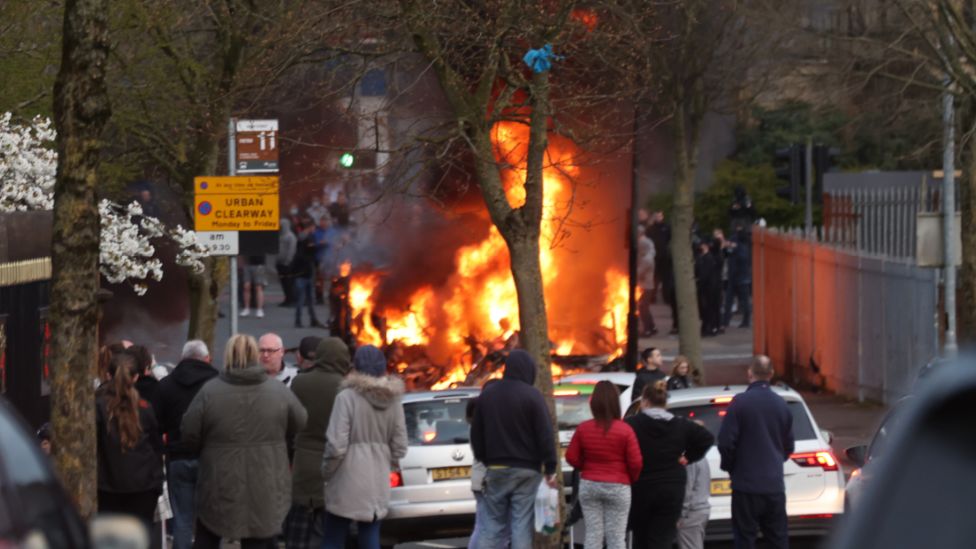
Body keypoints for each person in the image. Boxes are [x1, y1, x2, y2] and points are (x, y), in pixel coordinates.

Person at [181, 334, 308, 549]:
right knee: (260, 536)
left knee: (208, 533)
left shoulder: (210, 392)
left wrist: (206, 448)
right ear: (255, 355)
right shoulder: (277, 391)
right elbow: (301, 421)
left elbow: (189, 433)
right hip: (266, 478)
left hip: (219, 479)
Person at [320, 345, 407, 549]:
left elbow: (336, 445)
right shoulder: (394, 401)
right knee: (370, 535)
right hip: (377, 481)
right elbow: (400, 446)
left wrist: (326, 472)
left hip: (345, 479)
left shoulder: (346, 398)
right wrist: (388, 464)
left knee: (333, 537)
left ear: (355, 367)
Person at [471, 350, 557, 549]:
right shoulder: (533, 396)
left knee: (491, 525)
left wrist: (485, 459)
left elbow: (477, 434)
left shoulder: (488, 394)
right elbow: (545, 434)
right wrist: (550, 466)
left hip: (496, 468)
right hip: (528, 471)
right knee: (521, 524)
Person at [717, 356, 795, 549]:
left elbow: (726, 442)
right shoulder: (781, 404)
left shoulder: (740, 403)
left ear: (749, 374)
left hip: (746, 486)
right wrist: (775, 461)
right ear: (772, 374)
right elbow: (789, 446)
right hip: (774, 486)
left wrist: (731, 467)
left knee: (745, 538)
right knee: (777, 539)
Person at [626, 381, 714, 549]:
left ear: (644, 401)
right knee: (662, 539)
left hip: (642, 488)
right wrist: (688, 457)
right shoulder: (680, 424)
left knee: (642, 537)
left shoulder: (633, 425)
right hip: (672, 489)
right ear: (665, 403)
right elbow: (706, 438)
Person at [286, 337, 351, 549]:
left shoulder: (300, 382)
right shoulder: (345, 388)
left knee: (299, 525)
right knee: (329, 529)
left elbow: (291, 421)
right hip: (334, 464)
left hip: (304, 461)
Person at [154, 340, 219, 549]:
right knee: (209, 520)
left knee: (181, 520)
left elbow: (158, 424)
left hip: (178, 458)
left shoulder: (166, 385)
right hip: (210, 459)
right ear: (207, 359)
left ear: (182, 359)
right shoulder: (218, 384)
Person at [565, 381, 642, 549]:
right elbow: (636, 462)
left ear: (593, 403)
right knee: (616, 537)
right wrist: (630, 478)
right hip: (619, 485)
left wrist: (585, 466)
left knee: (593, 535)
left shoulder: (583, 429)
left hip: (590, 484)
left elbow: (571, 457)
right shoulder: (625, 430)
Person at [96, 352, 164, 529]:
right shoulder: (145, 408)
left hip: (108, 488)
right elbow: (157, 448)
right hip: (143, 488)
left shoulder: (98, 407)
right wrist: (157, 482)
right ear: (135, 377)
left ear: (108, 375)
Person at [677, 421, 712, 549]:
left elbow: (687, 489)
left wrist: (681, 515)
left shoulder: (690, 460)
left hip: (691, 513)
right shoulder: (702, 458)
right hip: (701, 510)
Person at [293, 218, 324, 328]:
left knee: (306, 299)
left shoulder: (300, 237)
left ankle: (306, 320)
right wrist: (318, 246)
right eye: (313, 228)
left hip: (302, 272)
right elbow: (308, 253)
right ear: (310, 227)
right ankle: (305, 320)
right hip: (306, 272)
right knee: (306, 299)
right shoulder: (307, 238)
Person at [723, 224, 752, 329]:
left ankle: (746, 320)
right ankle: (725, 320)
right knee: (729, 300)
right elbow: (727, 252)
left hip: (741, 278)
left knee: (744, 301)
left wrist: (734, 248)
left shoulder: (743, 246)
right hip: (733, 277)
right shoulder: (735, 240)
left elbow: (743, 259)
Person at [695, 239, 721, 337]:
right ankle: (708, 327)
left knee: (708, 308)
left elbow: (705, 273)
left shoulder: (709, 258)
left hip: (709, 287)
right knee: (706, 308)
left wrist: (699, 280)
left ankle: (709, 327)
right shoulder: (702, 257)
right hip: (705, 287)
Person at [637, 228, 657, 337]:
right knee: (645, 307)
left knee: (643, 308)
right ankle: (652, 327)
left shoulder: (646, 260)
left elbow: (639, 273)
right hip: (647, 285)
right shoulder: (648, 257)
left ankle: (648, 330)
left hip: (645, 286)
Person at [277, 218, 298, 307]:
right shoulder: (280, 235)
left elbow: (292, 250)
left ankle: (291, 299)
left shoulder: (290, 236)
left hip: (287, 263)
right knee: (283, 282)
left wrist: (288, 260)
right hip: (280, 263)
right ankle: (287, 298)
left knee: (288, 282)